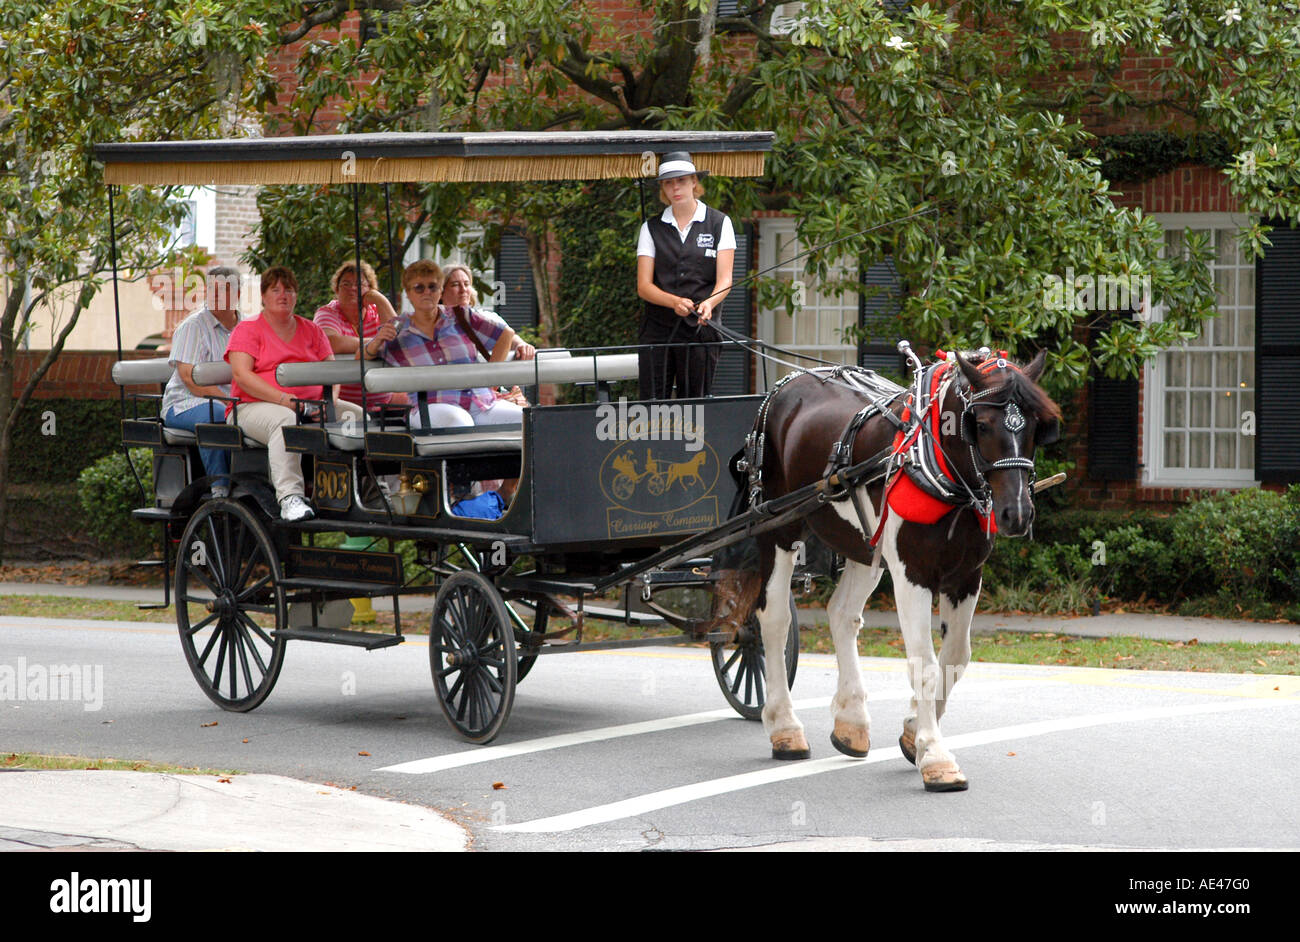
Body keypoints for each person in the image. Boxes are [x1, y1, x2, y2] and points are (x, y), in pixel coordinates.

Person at [226, 266, 364, 521]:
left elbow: (332, 372)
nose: (283, 295)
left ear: (296, 295)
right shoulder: (247, 330)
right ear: (263, 296)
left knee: (359, 417)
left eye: (288, 290)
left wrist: (330, 402)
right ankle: (290, 497)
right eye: (275, 290)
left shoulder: (312, 330)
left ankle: (368, 492)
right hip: (251, 407)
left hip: (311, 404)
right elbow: (242, 376)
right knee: (285, 421)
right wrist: (284, 401)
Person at [363, 261, 526, 429]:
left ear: (440, 290)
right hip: (430, 405)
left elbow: (506, 334)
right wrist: (375, 343)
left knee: (528, 420)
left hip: (480, 402)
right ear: (408, 294)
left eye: (432, 287)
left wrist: (491, 380)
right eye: (419, 288)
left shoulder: (461, 316)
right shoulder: (399, 327)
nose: (427, 292)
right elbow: (364, 355)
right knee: (461, 422)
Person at [635, 151, 736, 399]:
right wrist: (674, 302)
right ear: (662, 188)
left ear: (694, 181)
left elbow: (725, 279)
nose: (675, 187)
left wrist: (710, 304)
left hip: (701, 331)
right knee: (652, 405)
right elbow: (644, 286)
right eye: (668, 182)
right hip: (658, 331)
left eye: (680, 180)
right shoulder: (651, 228)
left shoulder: (720, 223)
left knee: (695, 407)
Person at [161, 266, 241, 497]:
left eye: (223, 290)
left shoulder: (247, 327)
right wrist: (231, 403)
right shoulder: (192, 327)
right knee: (215, 413)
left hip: (232, 402)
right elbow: (190, 380)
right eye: (211, 290)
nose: (215, 296)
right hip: (185, 404)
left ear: (237, 294)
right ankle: (220, 486)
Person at [313, 259, 403, 410]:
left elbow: (398, 338)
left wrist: (379, 299)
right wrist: (377, 341)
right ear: (337, 290)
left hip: (383, 399)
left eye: (360, 285)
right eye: (346, 284)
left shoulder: (376, 312)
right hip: (342, 402)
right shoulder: (328, 312)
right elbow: (332, 342)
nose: (352, 289)